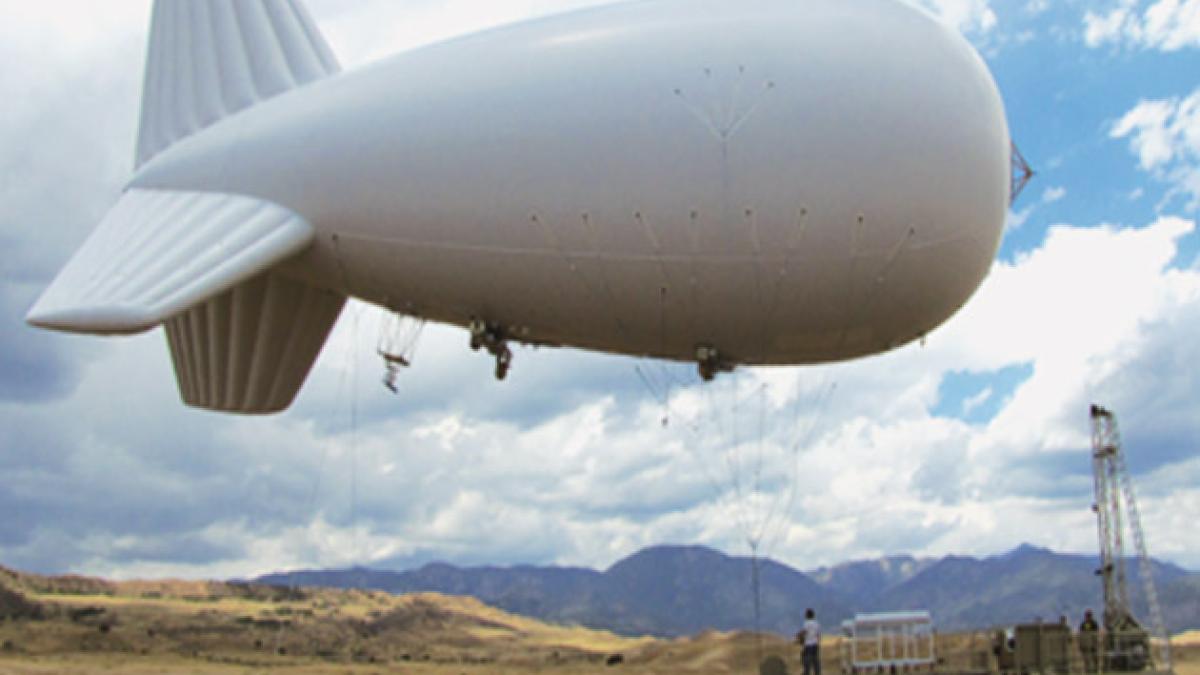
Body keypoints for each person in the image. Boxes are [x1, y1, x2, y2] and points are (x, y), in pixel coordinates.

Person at [797, 607, 821, 675]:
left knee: (806, 661)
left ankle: (806, 673)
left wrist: (798, 635)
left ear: (807, 615)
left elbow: (804, 632)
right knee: (815, 661)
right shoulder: (817, 624)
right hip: (815, 645)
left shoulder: (807, 623)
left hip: (808, 645)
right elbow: (818, 635)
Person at [1078, 609, 1100, 674]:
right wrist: (1081, 644)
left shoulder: (1094, 624)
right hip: (1085, 645)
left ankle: (1096, 671)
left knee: (1095, 658)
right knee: (1086, 660)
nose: (1088, 617)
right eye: (1087, 615)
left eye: (1089, 615)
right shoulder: (1083, 624)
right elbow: (1080, 634)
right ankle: (1087, 672)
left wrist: (1096, 643)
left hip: (1093, 645)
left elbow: (1096, 633)